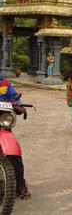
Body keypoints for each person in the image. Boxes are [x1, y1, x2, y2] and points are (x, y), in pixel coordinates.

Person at [0, 71, 31, 199]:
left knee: (14, 155)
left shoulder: (4, 84)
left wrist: (18, 106)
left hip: (1, 121)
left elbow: (14, 98)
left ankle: (20, 184)